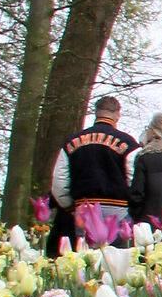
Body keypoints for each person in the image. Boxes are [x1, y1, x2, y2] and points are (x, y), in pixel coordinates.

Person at [50, 96, 138, 243]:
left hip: (85, 209)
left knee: (87, 258)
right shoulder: (128, 143)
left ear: (96, 112)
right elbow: (133, 177)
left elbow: (59, 180)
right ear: (117, 115)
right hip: (118, 209)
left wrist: (68, 205)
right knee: (117, 258)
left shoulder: (72, 141)